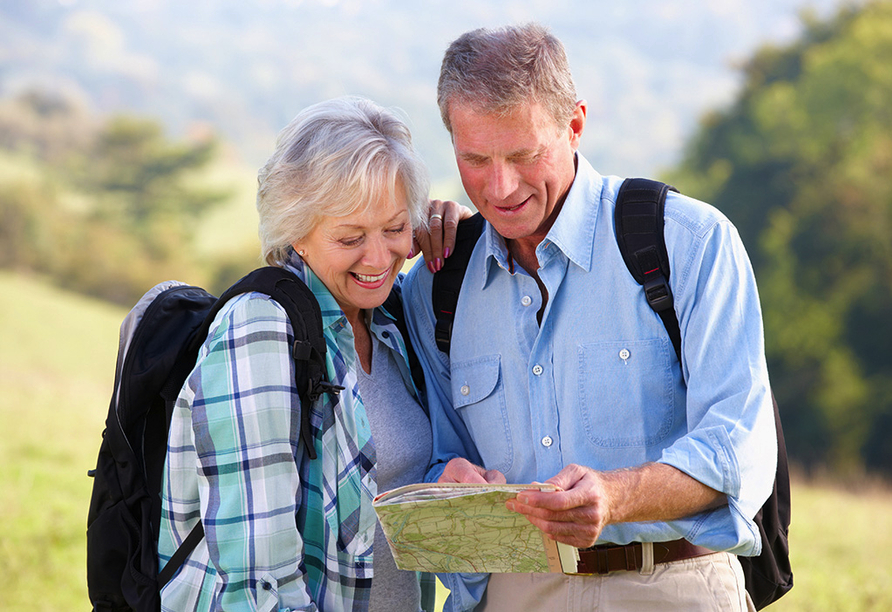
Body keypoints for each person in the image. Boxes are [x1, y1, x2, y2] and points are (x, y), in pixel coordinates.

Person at [402, 23, 777, 612]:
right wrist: (445, 481)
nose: (499, 188)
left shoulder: (688, 242)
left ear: (574, 124)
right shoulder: (434, 285)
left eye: (523, 155)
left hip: (672, 587)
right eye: (474, 159)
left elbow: (738, 449)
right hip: (512, 591)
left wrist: (617, 496)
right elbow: (428, 455)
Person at [157, 96, 469, 612]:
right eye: (351, 237)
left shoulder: (389, 321)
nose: (377, 258)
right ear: (297, 232)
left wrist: (437, 486)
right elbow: (258, 586)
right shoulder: (260, 333)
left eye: (394, 229)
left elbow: (378, 491)